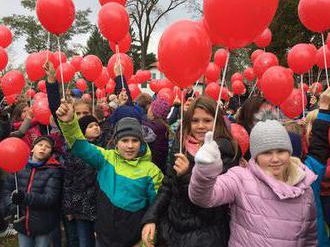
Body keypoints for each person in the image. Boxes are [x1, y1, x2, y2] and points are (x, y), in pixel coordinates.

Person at [189, 119, 319, 246]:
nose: (275, 159)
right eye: (267, 153)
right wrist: (204, 172)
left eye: (281, 151)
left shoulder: (305, 189)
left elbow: (310, 238)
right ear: (256, 156)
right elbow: (204, 198)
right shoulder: (240, 178)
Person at [56, 100, 163, 247]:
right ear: (116, 141)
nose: (130, 146)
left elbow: (157, 208)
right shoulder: (106, 158)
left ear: (142, 143)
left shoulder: (152, 171)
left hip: (135, 242)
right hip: (103, 239)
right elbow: (80, 147)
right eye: (125, 140)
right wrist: (69, 123)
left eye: (135, 141)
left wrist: (147, 241)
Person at [141, 96, 239, 247]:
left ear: (217, 122)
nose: (200, 126)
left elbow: (211, 203)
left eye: (207, 120)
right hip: (171, 230)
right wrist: (151, 217)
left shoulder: (225, 153)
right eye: (195, 120)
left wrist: (187, 175)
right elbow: (167, 186)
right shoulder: (181, 145)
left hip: (204, 235)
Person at [0, 136, 63, 247]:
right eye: (40, 145)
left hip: (43, 223)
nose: (43, 148)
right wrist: (12, 206)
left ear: (50, 153)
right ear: (32, 149)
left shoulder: (54, 171)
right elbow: (6, 190)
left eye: (47, 147)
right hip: (22, 223)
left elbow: (50, 198)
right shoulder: (18, 166)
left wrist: (25, 198)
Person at [62, 115, 101, 247]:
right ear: (82, 130)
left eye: (96, 124)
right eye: (91, 126)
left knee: (99, 240)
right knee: (84, 240)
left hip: (99, 205)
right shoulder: (73, 151)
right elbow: (68, 181)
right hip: (80, 205)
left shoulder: (105, 149)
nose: (95, 127)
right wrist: (69, 209)